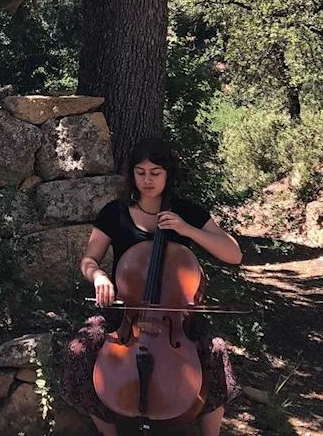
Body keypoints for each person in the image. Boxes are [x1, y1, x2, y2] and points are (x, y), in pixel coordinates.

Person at [62, 137, 242, 436]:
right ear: (131, 174)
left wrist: (187, 230)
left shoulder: (187, 211)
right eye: (140, 172)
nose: (147, 180)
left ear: (168, 174)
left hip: (177, 317)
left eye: (155, 172)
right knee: (78, 352)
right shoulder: (114, 212)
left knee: (216, 352)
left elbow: (233, 254)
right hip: (126, 313)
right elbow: (88, 259)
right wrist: (98, 276)